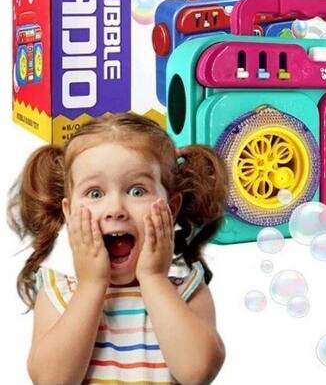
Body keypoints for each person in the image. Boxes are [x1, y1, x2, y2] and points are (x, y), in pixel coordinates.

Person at [7, 112, 228, 384]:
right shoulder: (59, 293)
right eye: (95, 193)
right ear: (69, 212)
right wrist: (91, 285)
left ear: (171, 208)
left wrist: (154, 278)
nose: (115, 209)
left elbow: (197, 372)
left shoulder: (187, 290)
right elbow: (51, 380)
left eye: (137, 191)